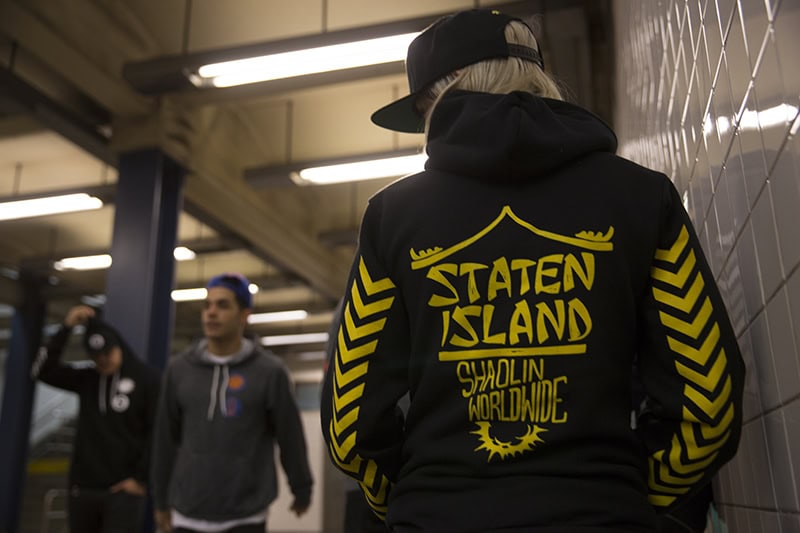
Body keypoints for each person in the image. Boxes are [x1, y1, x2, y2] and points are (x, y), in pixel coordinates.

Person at [320, 8, 745, 532]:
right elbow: (709, 404)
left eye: (423, 110)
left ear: (441, 94)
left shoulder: (393, 216)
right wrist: (627, 493)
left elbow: (349, 428)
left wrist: (414, 501)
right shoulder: (640, 196)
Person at [151, 273, 313, 533]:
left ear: (244, 315)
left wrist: (301, 487)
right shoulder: (179, 370)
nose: (211, 313)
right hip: (187, 512)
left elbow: (289, 435)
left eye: (223, 305)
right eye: (207, 305)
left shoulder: (269, 372)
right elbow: (164, 439)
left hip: (246, 515)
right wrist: (159, 499)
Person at [32, 305, 160, 533]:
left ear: (118, 346)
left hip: (123, 491)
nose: (103, 360)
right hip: (83, 489)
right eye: (96, 357)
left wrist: (141, 480)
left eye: (107, 353)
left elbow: (157, 432)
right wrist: (66, 328)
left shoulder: (147, 380)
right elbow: (43, 370)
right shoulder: (88, 380)